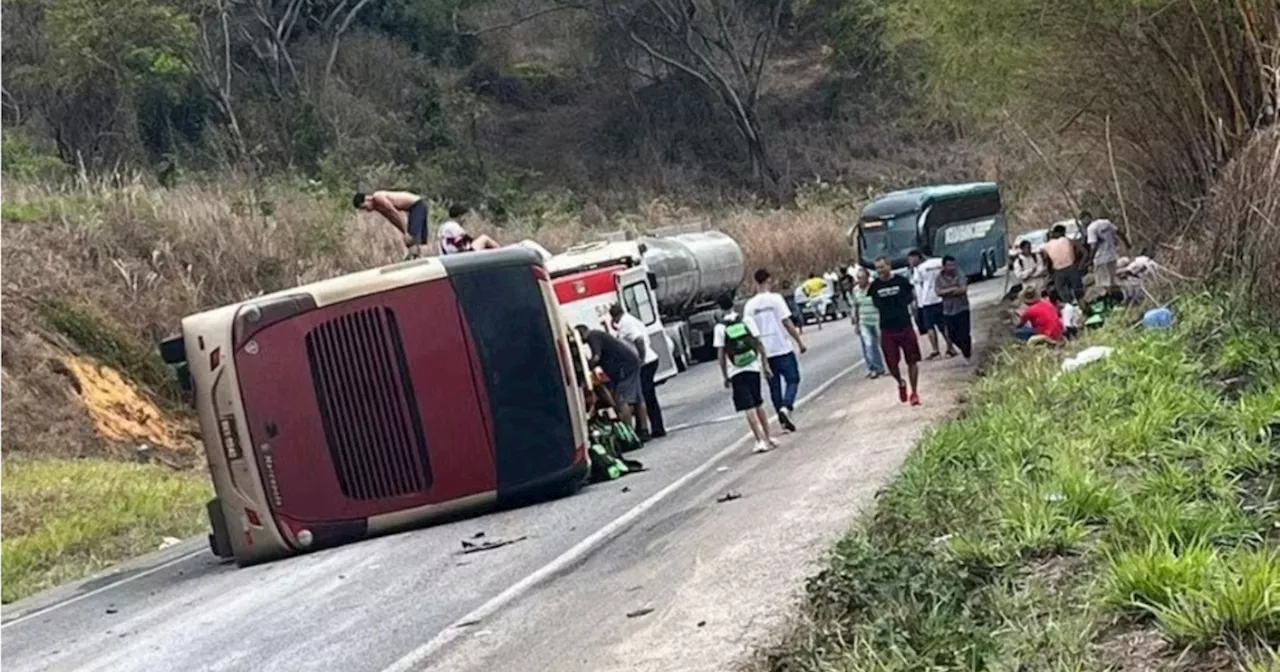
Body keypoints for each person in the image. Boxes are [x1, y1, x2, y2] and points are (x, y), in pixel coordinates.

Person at [743, 268, 807, 431]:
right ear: (769, 281)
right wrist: (799, 341)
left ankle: (782, 421)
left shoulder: (749, 305)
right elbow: (786, 322)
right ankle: (787, 407)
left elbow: (748, 331)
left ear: (755, 283)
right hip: (782, 347)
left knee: (774, 387)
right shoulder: (776, 299)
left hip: (764, 352)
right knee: (793, 379)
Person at [713, 297, 778, 454]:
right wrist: (765, 363)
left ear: (720, 309)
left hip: (736, 370)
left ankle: (759, 440)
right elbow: (758, 342)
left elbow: (721, 354)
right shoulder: (746, 320)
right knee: (758, 403)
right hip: (753, 366)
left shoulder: (720, 328)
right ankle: (769, 437)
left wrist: (725, 375)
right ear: (733, 306)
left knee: (748, 407)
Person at [868, 256, 922, 405]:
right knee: (891, 364)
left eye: (882, 267)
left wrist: (902, 305)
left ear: (889, 266)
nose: (880, 271)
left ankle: (914, 392)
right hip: (887, 329)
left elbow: (910, 295)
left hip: (904, 325)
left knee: (912, 360)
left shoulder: (901, 281)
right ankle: (900, 382)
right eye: (877, 268)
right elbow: (875, 302)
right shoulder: (875, 286)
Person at [610, 304, 665, 440]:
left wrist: (641, 359)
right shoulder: (630, 320)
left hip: (646, 362)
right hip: (650, 359)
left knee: (645, 395)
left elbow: (639, 340)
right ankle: (650, 427)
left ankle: (655, 428)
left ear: (614, 317)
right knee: (645, 395)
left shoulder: (626, 324)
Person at [575, 325, 645, 431]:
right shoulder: (599, 334)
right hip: (630, 363)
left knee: (620, 399)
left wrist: (587, 368)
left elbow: (596, 357)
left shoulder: (593, 336)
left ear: (582, 333)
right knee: (638, 398)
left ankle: (629, 431)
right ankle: (643, 429)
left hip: (623, 367)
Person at [353, 190, 430, 257]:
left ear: (367, 199)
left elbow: (395, 213)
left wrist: (407, 232)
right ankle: (417, 256)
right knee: (411, 239)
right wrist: (404, 233)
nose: (366, 210)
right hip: (414, 208)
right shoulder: (377, 206)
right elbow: (392, 218)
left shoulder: (378, 197)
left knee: (412, 239)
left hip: (417, 205)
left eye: (364, 207)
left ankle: (418, 258)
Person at [907, 249, 953, 358]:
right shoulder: (939, 262)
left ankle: (936, 350)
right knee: (943, 326)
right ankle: (951, 348)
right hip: (941, 298)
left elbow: (917, 285)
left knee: (930, 327)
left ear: (918, 257)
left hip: (927, 301)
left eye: (911, 259)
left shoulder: (919, 269)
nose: (910, 262)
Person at [934, 255, 973, 360]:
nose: (952, 267)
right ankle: (964, 349)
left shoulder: (959, 274)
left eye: (953, 265)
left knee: (964, 333)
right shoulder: (939, 277)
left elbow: (963, 289)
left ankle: (967, 353)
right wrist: (953, 289)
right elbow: (938, 292)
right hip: (948, 311)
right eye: (949, 265)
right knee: (951, 335)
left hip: (962, 308)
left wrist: (947, 292)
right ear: (944, 266)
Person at [1084, 212, 1131, 299]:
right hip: (1112, 256)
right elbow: (1119, 232)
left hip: (1100, 260)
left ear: (1086, 219)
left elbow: (1093, 246)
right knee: (1112, 281)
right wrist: (1127, 244)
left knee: (1103, 284)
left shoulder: (1091, 229)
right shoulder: (1106, 222)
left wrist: (1090, 260)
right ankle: (1121, 298)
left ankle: (1112, 301)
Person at [851, 266, 887, 378]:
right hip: (864, 320)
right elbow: (856, 306)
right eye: (858, 278)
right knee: (868, 345)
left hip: (877, 318)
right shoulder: (856, 290)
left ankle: (886, 366)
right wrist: (856, 323)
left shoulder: (874, 287)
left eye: (862, 278)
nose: (859, 280)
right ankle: (874, 368)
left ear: (867, 278)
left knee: (884, 344)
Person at [1041, 224, 1085, 304]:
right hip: (1072, 268)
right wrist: (1079, 265)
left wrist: (1050, 273)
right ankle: (1082, 305)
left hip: (1058, 271)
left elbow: (1047, 261)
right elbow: (1081, 252)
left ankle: (1070, 306)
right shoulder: (1068, 240)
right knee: (1078, 290)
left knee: (1063, 292)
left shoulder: (1046, 246)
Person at [437, 205, 501, 255]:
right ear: (460, 216)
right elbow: (465, 241)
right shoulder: (454, 226)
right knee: (484, 238)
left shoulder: (443, 227)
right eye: (464, 216)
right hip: (460, 254)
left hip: (447, 254)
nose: (465, 219)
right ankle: (500, 251)